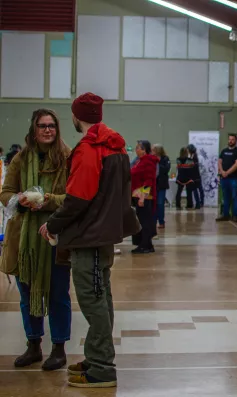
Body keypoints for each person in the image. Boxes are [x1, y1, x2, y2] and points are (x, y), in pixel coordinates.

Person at [41, 92, 140, 388]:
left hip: (89, 236)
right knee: (101, 297)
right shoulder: (116, 146)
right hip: (103, 234)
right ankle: (97, 356)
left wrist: (53, 223)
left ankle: (102, 368)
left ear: (76, 116)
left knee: (92, 300)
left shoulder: (90, 149)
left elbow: (77, 198)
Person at [0, 109, 71, 371]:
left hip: (55, 237)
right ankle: (33, 345)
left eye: (52, 125)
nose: (48, 130)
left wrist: (47, 200)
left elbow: (73, 198)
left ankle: (59, 347)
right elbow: (5, 193)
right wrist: (19, 199)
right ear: (34, 129)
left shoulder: (67, 158)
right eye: (42, 126)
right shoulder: (21, 158)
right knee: (26, 293)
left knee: (58, 295)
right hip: (24, 241)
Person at [131, 140, 159, 254]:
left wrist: (143, 197)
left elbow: (148, 181)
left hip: (144, 197)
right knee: (142, 220)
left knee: (145, 222)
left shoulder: (147, 161)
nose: (136, 150)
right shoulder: (139, 161)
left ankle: (145, 245)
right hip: (138, 195)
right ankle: (145, 244)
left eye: (138, 148)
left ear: (144, 150)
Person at [217, 134, 237, 222]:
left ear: (235, 141)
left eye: (232, 139)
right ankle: (225, 215)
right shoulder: (224, 151)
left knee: (235, 197)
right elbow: (219, 162)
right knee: (225, 197)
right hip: (224, 178)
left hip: (234, 178)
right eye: (229, 139)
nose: (230, 141)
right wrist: (222, 172)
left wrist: (227, 172)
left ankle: (235, 216)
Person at [152, 144, 170, 229]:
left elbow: (166, 170)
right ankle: (153, 221)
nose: (152, 151)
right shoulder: (151, 158)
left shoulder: (165, 159)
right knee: (153, 204)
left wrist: (159, 162)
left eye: (153, 150)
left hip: (162, 185)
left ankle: (161, 221)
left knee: (160, 204)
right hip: (153, 184)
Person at [187, 144, 204, 209]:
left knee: (199, 190)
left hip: (196, 176)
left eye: (188, 149)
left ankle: (200, 203)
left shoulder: (198, 157)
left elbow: (201, 167)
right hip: (194, 176)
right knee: (195, 190)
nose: (187, 151)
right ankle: (198, 203)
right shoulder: (191, 156)